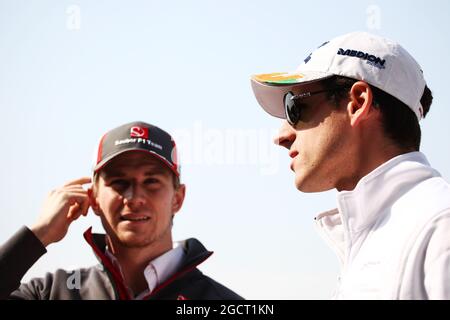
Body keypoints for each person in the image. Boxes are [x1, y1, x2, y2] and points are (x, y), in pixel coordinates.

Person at [250, 31, 450, 299]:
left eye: (294, 108)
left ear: (357, 103)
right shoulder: (376, 234)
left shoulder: (439, 226)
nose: (281, 136)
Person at [0, 121, 243, 300]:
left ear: (177, 199)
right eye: (119, 182)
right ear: (93, 198)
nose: (134, 197)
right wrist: (37, 234)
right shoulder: (52, 293)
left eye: (151, 182)